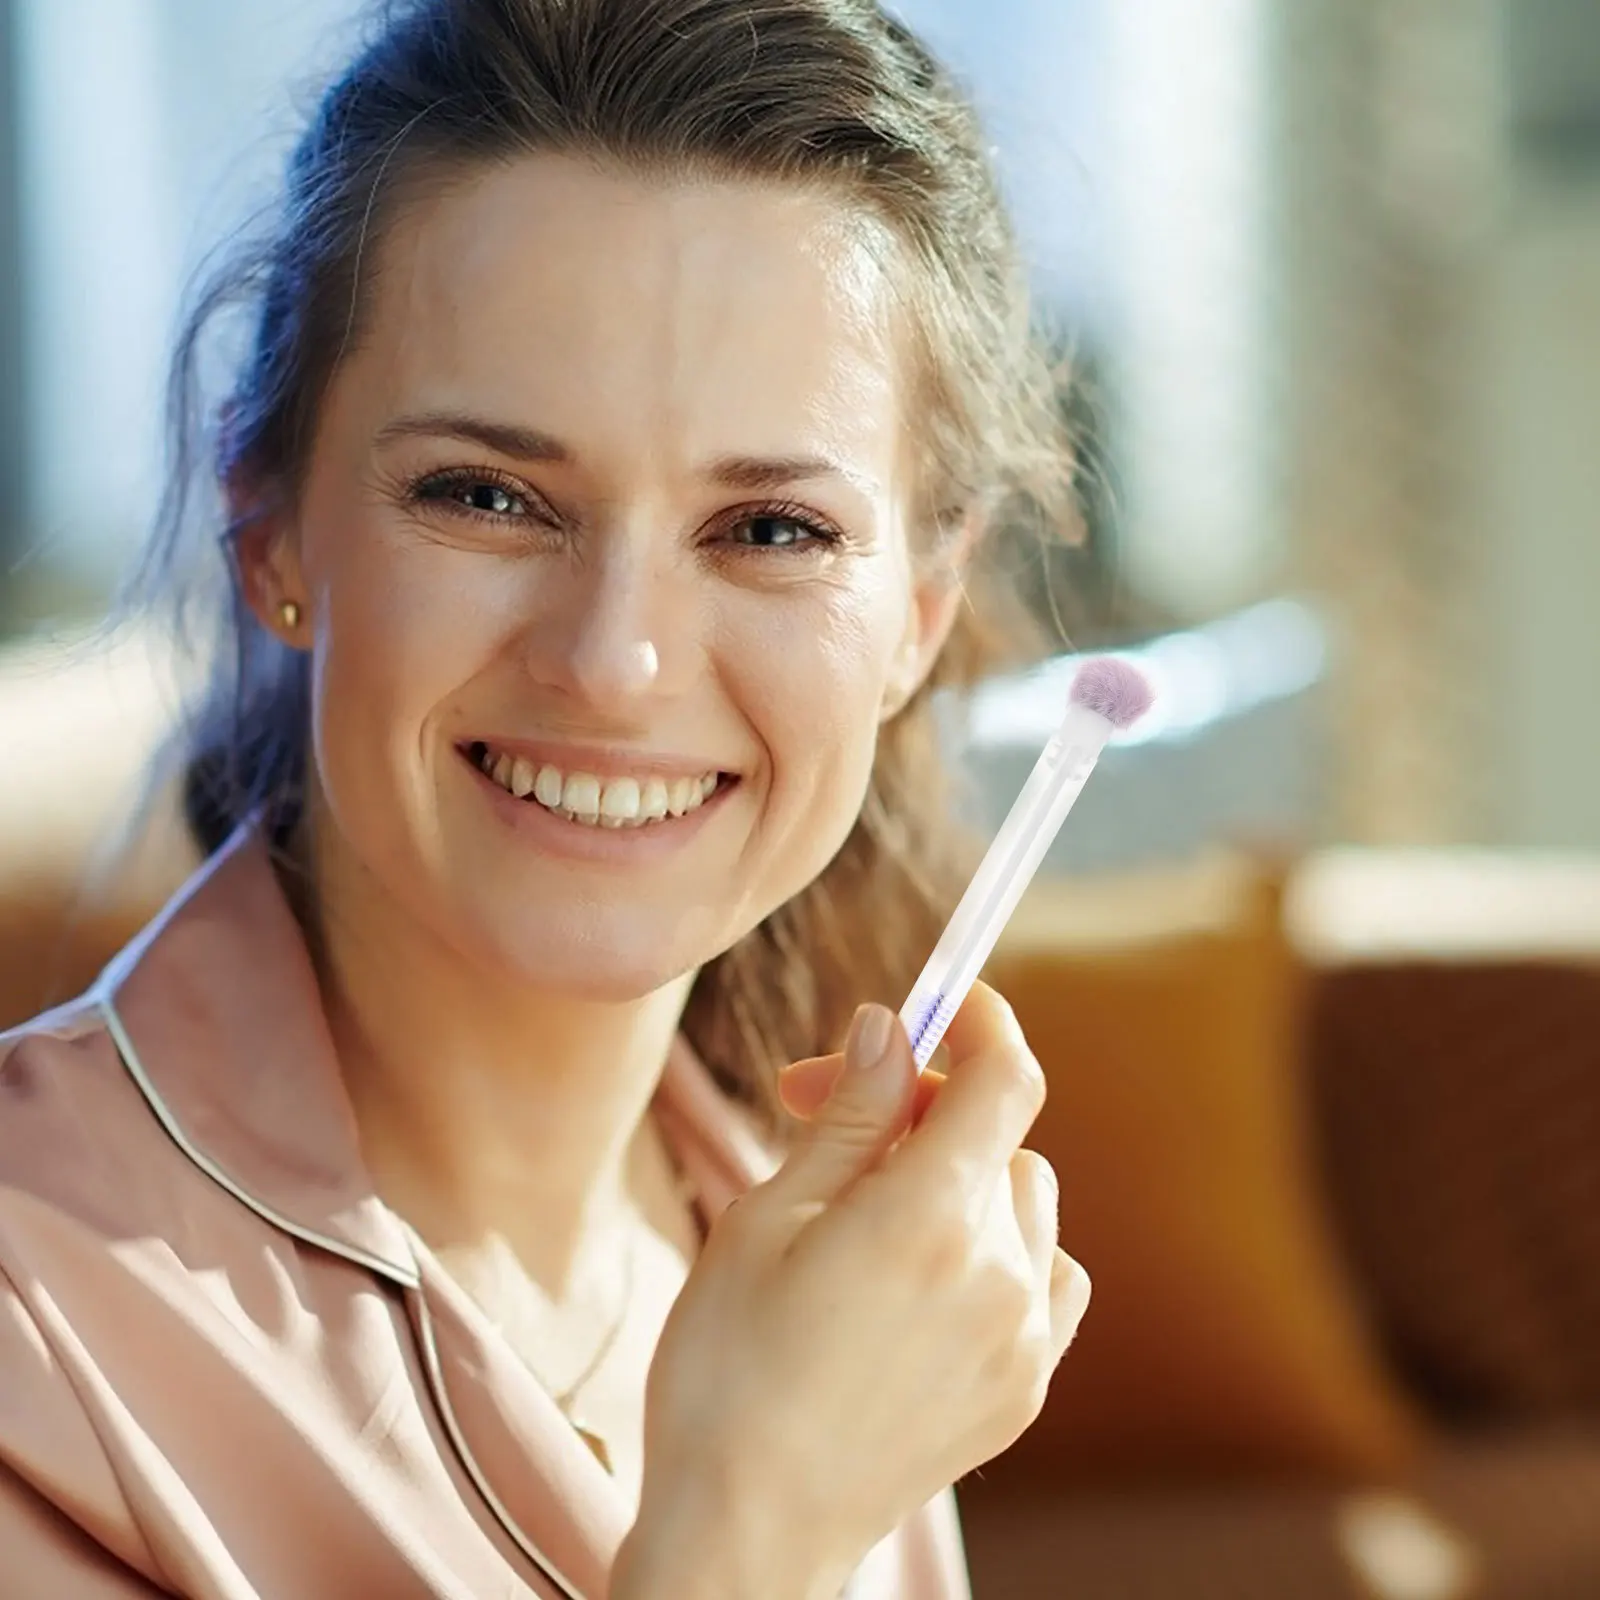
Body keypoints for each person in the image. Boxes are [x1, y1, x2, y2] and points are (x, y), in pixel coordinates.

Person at [0, 1, 1095, 1595]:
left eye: (773, 529)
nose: (617, 659)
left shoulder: (829, 1286)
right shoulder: (37, 1315)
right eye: (489, 497)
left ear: (919, 615)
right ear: (273, 534)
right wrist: (755, 1523)